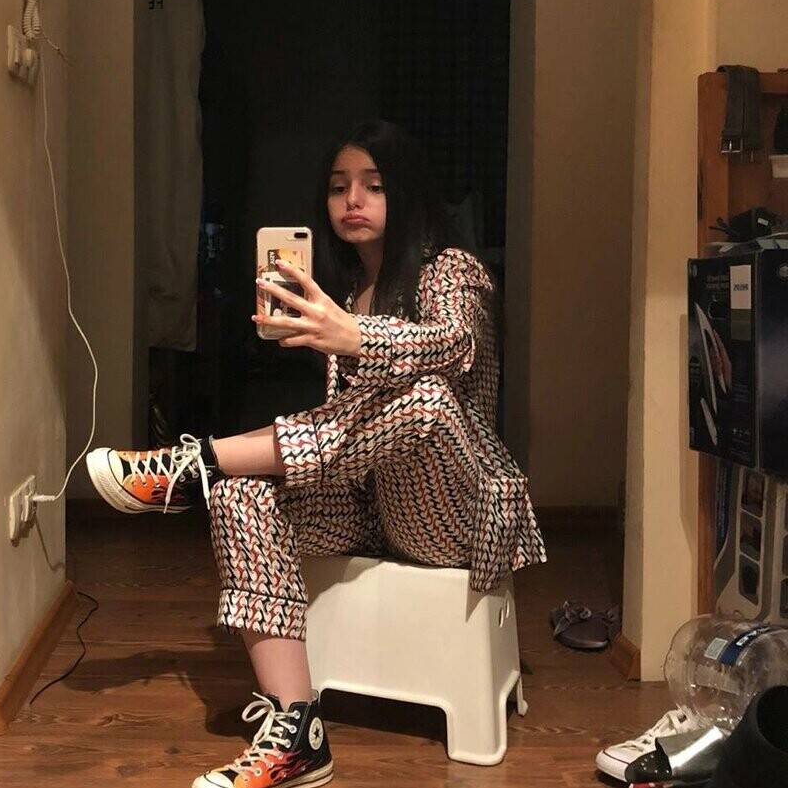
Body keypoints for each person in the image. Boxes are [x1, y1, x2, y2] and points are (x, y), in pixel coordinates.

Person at [86, 120, 546, 788]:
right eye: (338, 187)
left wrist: (352, 335)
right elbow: (348, 428)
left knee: (423, 396)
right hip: (370, 506)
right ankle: (297, 733)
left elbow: (456, 344)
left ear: (407, 191)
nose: (352, 200)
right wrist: (337, 328)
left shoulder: (452, 269)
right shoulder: (346, 290)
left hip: (454, 514)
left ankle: (198, 462)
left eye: (373, 185)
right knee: (241, 492)